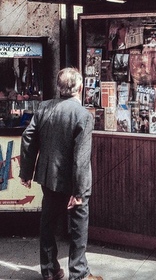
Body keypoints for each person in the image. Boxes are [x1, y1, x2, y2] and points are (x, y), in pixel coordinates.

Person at [19, 68, 102, 280]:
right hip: (74, 182)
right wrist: (80, 192)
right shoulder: (83, 115)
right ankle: (79, 273)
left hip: (49, 178)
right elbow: (81, 158)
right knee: (78, 228)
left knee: (47, 224)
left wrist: (26, 172)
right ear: (81, 88)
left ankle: (49, 270)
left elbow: (28, 137)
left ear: (59, 88)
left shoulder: (44, 107)